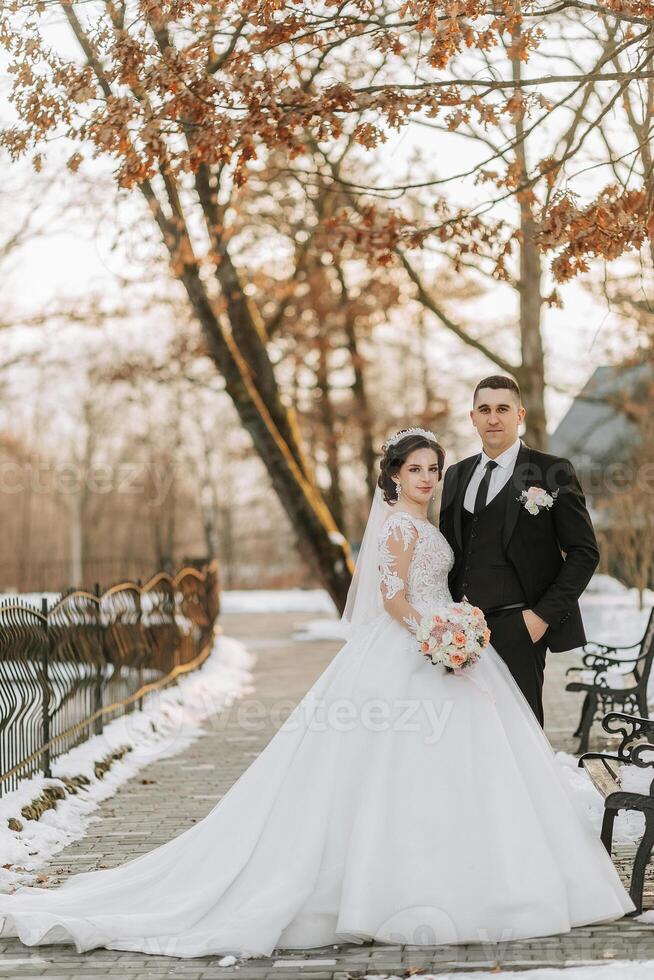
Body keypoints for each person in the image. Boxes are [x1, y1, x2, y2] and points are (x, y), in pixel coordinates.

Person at [0, 429, 633, 959]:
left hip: (451, 651)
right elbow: (391, 599)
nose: (427, 478)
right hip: (412, 652)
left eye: (433, 469)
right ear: (392, 476)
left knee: (469, 768)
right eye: (416, 469)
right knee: (387, 771)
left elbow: (442, 584)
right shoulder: (397, 531)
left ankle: (483, 882)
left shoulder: (431, 525)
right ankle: (387, 888)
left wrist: (458, 630)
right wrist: (439, 636)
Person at [439, 375, 599, 727]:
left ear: (519, 414)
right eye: (484, 410)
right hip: (461, 633)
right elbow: (450, 554)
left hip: (520, 626)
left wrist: (540, 618)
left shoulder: (551, 470)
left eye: (502, 409)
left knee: (520, 734)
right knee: (465, 734)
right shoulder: (455, 475)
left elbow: (584, 552)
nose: (493, 418)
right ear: (472, 417)